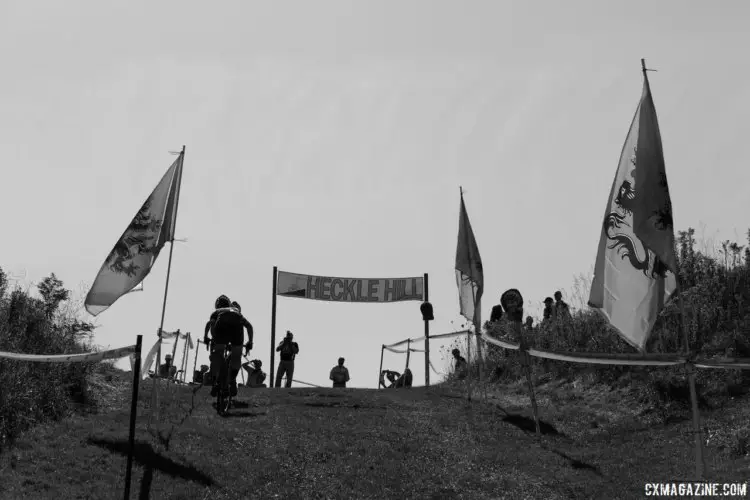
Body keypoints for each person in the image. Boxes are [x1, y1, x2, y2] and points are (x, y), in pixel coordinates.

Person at [204, 295, 253, 397]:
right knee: (236, 356)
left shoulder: (217, 312)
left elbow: (210, 324)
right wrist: (250, 342)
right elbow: (249, 326)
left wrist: (207, 337)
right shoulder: (235, 310)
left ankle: (216, 380)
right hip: (236, 329)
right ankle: (231, 379)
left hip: (221, 329)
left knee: (218, 353)